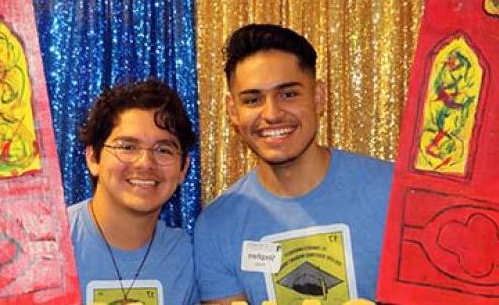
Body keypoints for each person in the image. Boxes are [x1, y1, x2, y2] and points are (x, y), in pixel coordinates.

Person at [194, 24, 393, 305]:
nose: (272, 114)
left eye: (288, 94)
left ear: (319, 96)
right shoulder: (216, 226)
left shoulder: (392, 193)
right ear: (232, 112)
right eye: (252, 100)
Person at [69, 79, 199, 305]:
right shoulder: (49, 245)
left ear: (183, 168)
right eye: (127, 147)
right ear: (92, 158)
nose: (145, 163)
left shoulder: (188, 257)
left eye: (164, 150)